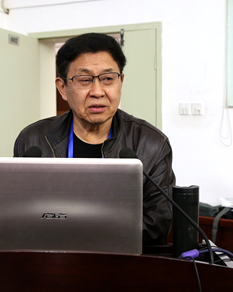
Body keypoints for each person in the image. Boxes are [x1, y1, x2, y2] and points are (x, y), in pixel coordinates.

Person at [13, 33, 175, 245]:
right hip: (51, 256)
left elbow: (157, 227)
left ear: (120, 82)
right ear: (62, 88)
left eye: (108, 79)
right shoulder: (33, 140)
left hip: (120, 260)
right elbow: (18, 215)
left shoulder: (151, 144)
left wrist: (78, 231)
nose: (97, 92)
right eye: (84, 80)